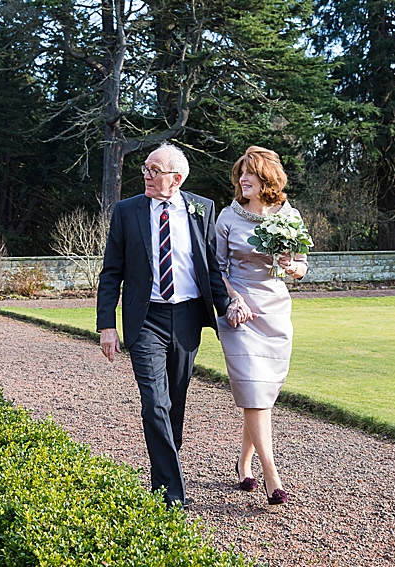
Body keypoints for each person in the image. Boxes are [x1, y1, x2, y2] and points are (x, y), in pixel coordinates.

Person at [97, 142, 230, 508]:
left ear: (178, 178)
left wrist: (228, 307)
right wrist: (107, 324)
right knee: (154, 403)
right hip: (146, 319)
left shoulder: (202, 209)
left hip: (188, 317)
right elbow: (111, 272)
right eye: (145, 168)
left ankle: (162, 478)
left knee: (175, 405)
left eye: (155, 170)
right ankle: (172, 496)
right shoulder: (127, 211)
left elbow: (212, 269)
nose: (146, 175)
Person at [215, 146, 308, 506]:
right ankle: (272, 473)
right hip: (239, 312)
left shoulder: (289, 215)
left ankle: (244, 462)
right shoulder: (227, 217)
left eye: (250, 173)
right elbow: (217, 269)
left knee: (264, 392)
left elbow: (301, 266)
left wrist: (290, 265)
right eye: (240, 173)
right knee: (253, 387)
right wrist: (232, 299)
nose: (243, 179)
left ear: (267, 177)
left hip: (275, 310)